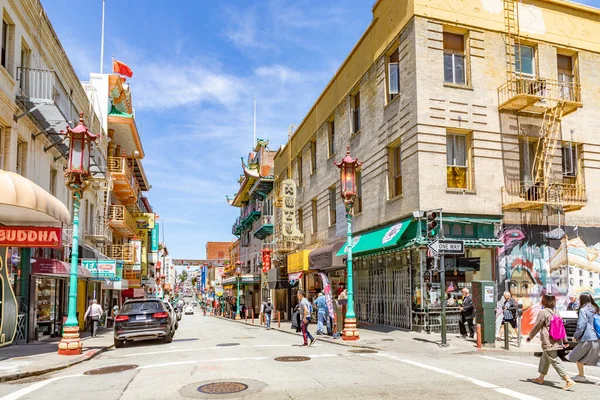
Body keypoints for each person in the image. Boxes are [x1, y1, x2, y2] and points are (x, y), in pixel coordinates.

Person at [526, 293, 576, 390]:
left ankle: (568, 380)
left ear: (544, 301)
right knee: (545, 358)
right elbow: (561, 327)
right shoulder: (556, 312)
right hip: (557, 339)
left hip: (548, 340)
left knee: (554, 359)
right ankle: (541, 378)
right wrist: (565, 341)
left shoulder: (543, 312)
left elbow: (537, 326)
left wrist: (530, 337)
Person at [566, 293, 600, 383]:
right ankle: (581, 376)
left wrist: (575, 336)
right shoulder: (595, 309)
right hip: (597, 337)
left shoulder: (583, 310)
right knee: (595, 359)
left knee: (576, 356)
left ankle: (581, 376)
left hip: (587, 337)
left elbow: (581, 325)